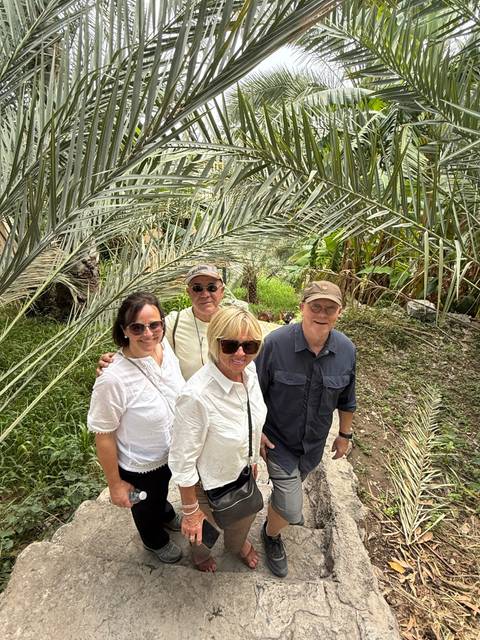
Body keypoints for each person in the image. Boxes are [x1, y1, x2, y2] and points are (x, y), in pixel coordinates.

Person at [254, 280, 356, 578]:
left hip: (312, 446)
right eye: (315, 306)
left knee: (289, 495)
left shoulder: (347, 350)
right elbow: (253, 392)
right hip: (277, 441)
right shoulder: (275, 344)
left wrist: (344, 435)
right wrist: (255, 432)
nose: (321, 314)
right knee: (290, 507)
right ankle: (271, 535)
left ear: (339, 313)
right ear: (302, 308)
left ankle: (280, 509)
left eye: (330, 308)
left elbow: (348, 398)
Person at [87, 292, 185, 564]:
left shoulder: (166, 350)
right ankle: (153, 539)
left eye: (154, 325)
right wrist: (116, 485)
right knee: (144, 505)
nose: (148, 333)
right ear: (124, 330)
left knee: (161, 494)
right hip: (140, 465)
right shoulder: (112, 378)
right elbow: (103, 435)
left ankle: (164, 512)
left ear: (162, 324)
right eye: (137, 327)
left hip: (170, 453)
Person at [168, 306, 267, 573]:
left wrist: (252, 457)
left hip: (242, 471)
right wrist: (189, 511)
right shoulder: (197, 396)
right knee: (203, 531)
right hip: (207, 484)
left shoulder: (249, 371)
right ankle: (199, 554)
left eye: (250, 345)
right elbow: (181, 460)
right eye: (230, 344)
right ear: (214, 342)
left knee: (242, 517)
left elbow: (251, 415)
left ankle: (236, 546)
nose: (240, 353)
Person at [96, 264, 225, 381]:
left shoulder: (234, 321)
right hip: (190, 403)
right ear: (188, 292)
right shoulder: (174, 322)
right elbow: (143, 341)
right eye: (197, 288)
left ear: (222, 291)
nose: (205, 294)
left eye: (212, 288)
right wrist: (115, 361)